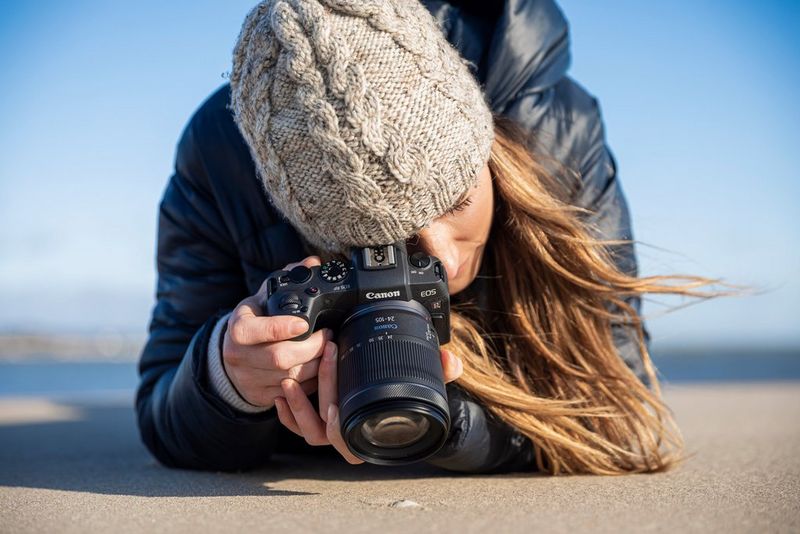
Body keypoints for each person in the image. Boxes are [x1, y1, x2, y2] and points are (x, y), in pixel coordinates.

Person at [136, 0, 719, 475]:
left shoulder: (558, 136)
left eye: (455, 200)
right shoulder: (221, 160)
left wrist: (447, 421)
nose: (439, 253)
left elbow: (623, 416)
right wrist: (228, 376)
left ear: (487, 152)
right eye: (392, 244)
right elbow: (164, 399)